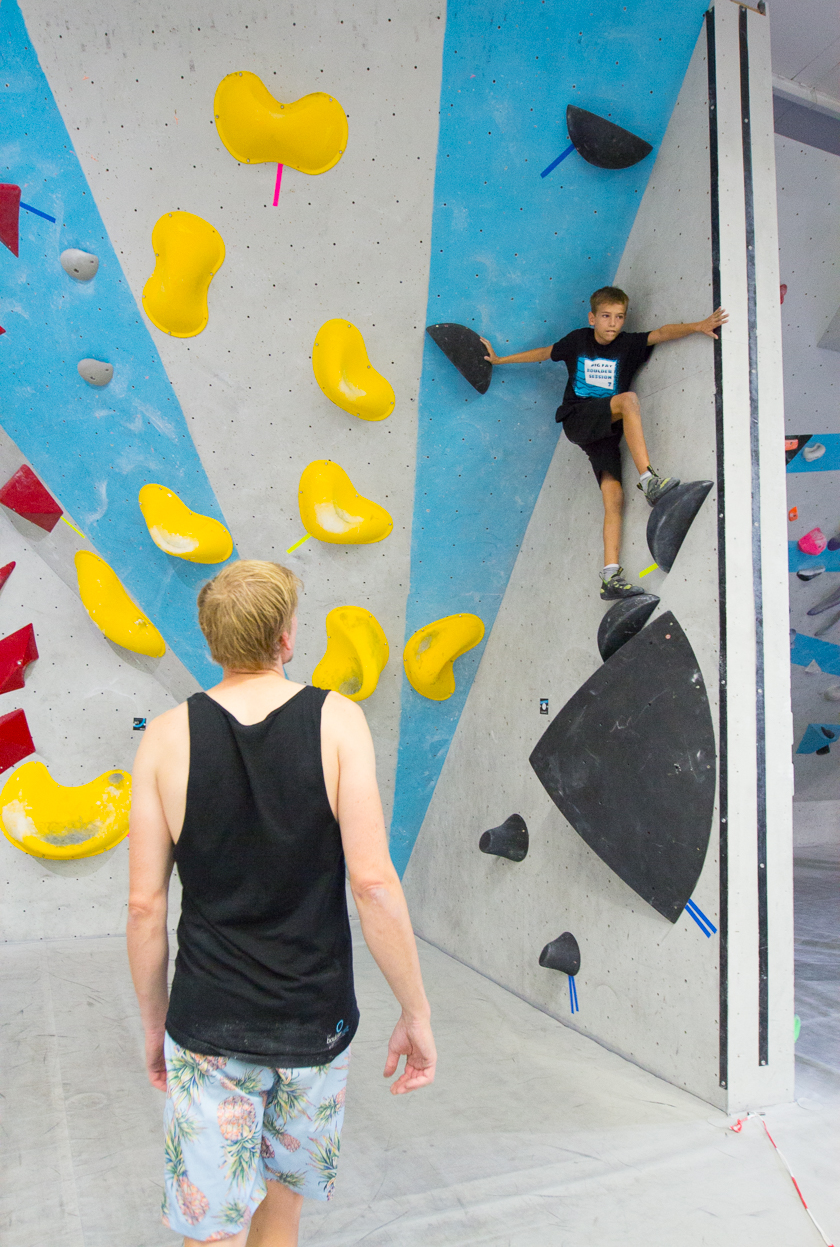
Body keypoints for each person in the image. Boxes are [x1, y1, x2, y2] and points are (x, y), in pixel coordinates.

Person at [127, 559, 436, 1246]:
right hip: (313, 1022)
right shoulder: (338, 723)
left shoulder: (166, 738)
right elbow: (375, 884)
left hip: (208, 1024)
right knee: (282, 1210)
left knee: (211, 1232)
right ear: (287, 638)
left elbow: (145, 907)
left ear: (212, 644)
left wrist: (154, 1026)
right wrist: (415, 1012)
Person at [481, 287, 727, 599]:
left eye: (619, 317)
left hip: (605, 432)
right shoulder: (578, 340)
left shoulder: (627, 344)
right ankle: (649, 480)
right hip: (578, 418)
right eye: (606, 317)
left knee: (614, 497)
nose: (613, 324)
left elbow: (662, 333)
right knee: (628, 401)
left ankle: (610, 576)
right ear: (593, 318)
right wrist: (501, 360)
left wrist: (697, 326)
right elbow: (545, 352)